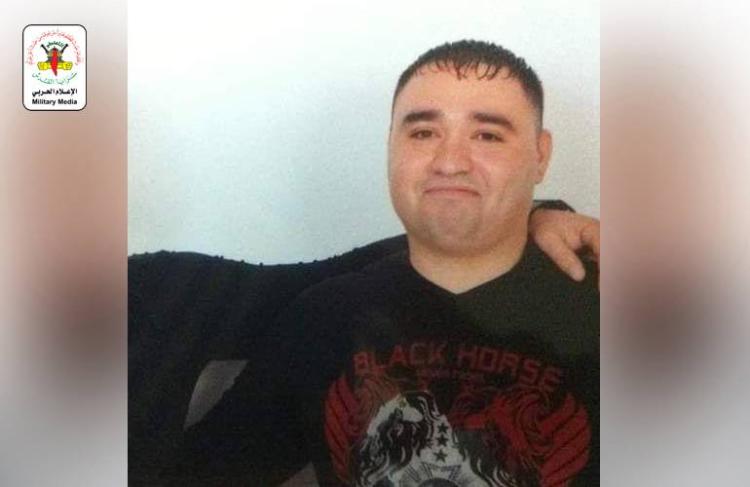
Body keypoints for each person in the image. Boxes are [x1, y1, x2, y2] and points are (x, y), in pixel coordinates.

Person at [170, 40, 598, 486]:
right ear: (390, 147)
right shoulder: (323, 318)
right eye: (423, 133)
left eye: (487, 135)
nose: (450, 162)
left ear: (540, 155)